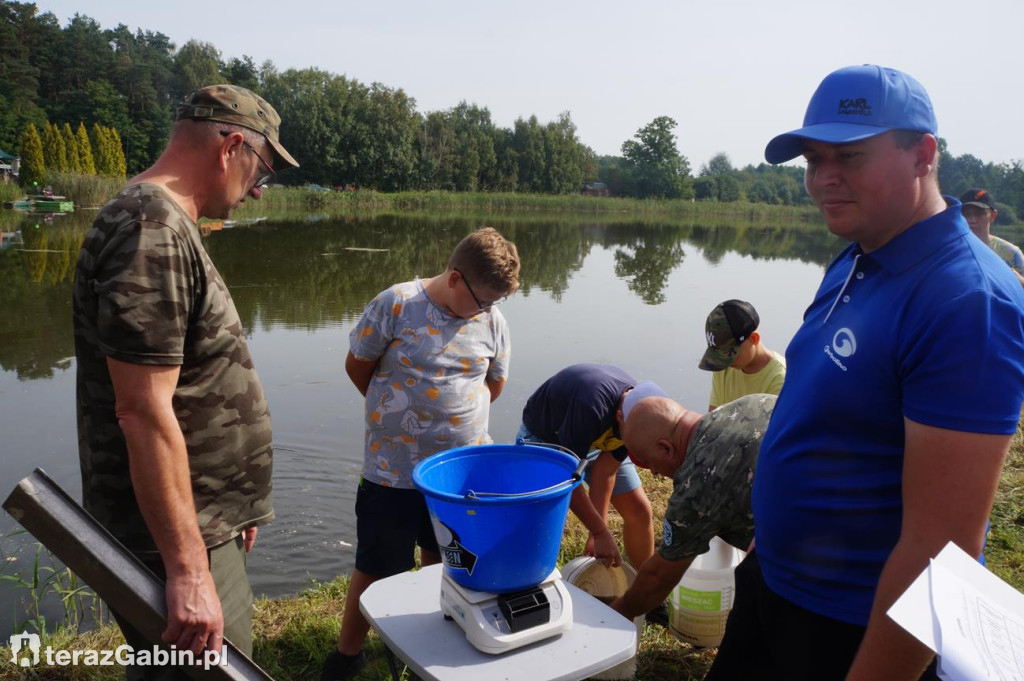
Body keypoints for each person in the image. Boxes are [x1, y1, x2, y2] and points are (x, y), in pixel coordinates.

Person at [704, 65, 1024, 681]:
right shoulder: (857, 256)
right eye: (812, 159)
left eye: (848, 156)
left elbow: (943, 548)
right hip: (774, 582)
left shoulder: (965, 302)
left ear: (922, 155)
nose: (823, 179)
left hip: (851, 625)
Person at [72, 84, 298, 677]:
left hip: (199, 517)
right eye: (263, 167)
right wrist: (190, 568)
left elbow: (188, 384)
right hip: (172, 530)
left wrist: (232, 505)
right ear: (230, 147)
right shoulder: (151, 227)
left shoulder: (163, 221)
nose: (259, 188)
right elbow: (142, 411)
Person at [323, 228, 520, 681]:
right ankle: (347, 654)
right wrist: (395, 416)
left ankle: (433, 642)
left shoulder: (491, 322)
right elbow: (359, 366)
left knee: (447, 562)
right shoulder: (397, 304)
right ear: (455, 278)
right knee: (376, 566)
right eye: (483, 301)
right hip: (392, 474)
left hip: (458, 477)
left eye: (495, 304)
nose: (487, 311)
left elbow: (495, 382)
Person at [609, 393, 775, 621]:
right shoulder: (751, 401)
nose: (655, 472)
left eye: (649, 463)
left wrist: (619, 612)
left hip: (817, 553)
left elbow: (659, 577)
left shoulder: (695, 490)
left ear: (665, 448)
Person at [519, 364, 666, 571]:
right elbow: (566, 477)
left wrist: (597, 532)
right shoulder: (593, 407)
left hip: (599, 436)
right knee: (541, 522)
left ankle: (645, 587)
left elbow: (606, 471)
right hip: (547, 436)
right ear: (619, 417)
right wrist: (599, 532)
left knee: (639, 511)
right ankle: (532, 580)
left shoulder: (641, 414)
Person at [698, 299, 785, 411]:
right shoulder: (722, 365)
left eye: (730, 354)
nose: (726, 362)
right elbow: (713, 419)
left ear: (754, 338)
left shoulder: (780, 380)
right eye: (720, 355)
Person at [959, 187, 1024, 287]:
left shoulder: (1012, 254)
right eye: (966, 214)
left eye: (979, 214)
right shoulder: (950, 251)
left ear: (993, 216)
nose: (972, 220)